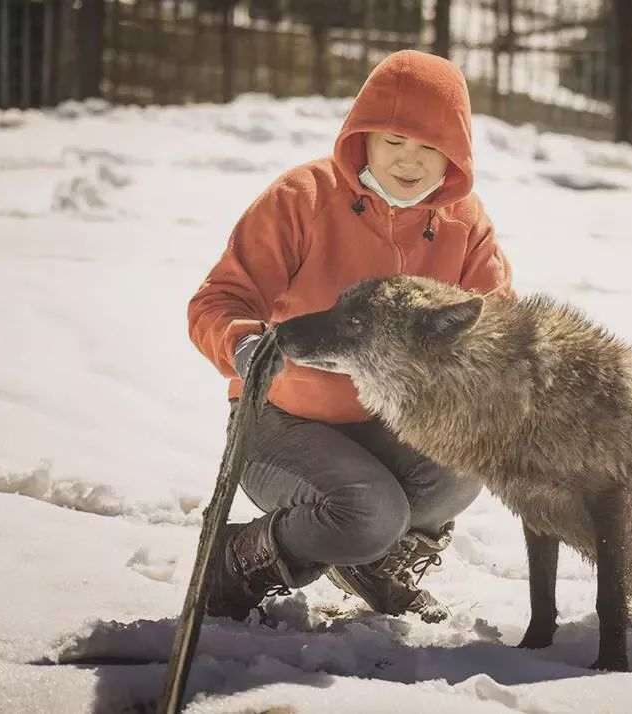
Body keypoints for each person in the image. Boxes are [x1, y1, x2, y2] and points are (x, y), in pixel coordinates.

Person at [187, 50, 513, 624]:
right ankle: (238, 561)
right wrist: (243, 346)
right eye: (393, 142)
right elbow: (218, 301)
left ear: (454, 154)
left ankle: (371, 561)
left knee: (471, 456)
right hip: (284, 421)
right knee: (368, 513)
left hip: (396, 422)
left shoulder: (465, 224)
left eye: (429, 148)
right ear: (362, 137)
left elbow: (498, 329)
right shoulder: (302, 198)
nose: (409, 162)